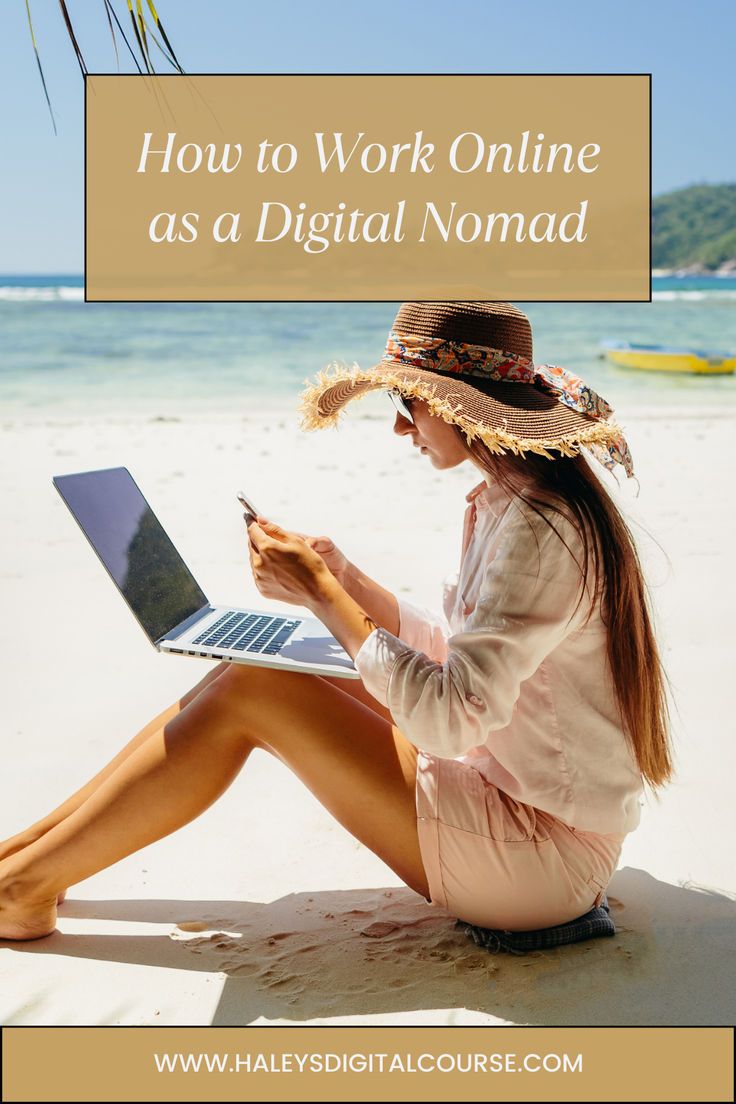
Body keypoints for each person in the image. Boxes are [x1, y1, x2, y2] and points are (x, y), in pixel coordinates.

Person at [0, 301, 674, 941]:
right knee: (251, 669)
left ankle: (22, 889)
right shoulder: (512, 501)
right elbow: (456, 659)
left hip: (542, 861)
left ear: (456, 407)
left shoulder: (539, 526)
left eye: (407, 405)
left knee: (255, 690)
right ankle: (24, 857)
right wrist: (346, 580)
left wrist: (325, 598)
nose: (401, 428)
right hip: (516, 799)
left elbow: (449, 717)